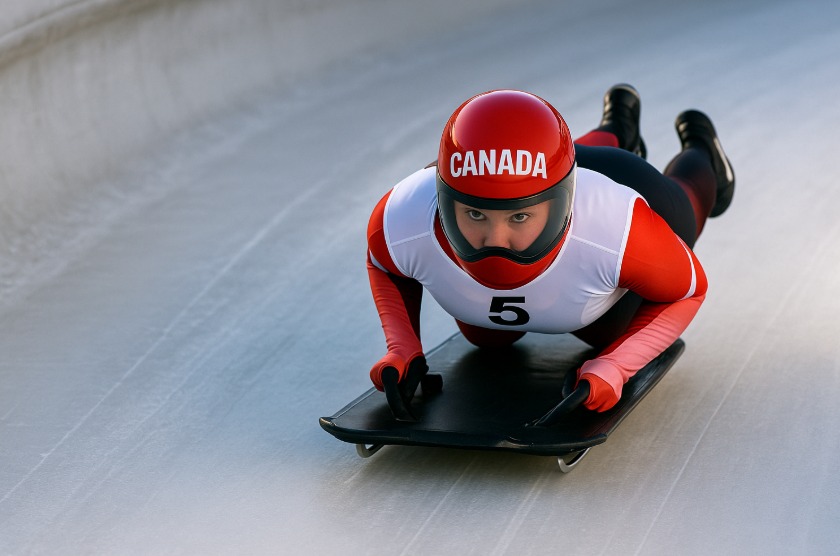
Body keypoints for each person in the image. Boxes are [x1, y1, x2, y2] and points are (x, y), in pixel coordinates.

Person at [365, 85, 734, 414]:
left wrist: (617, 363)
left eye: (519, 217)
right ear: (442, 197)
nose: (496, 240)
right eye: (475, 213)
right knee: (486, 336)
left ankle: (701, 152)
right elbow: (382, 262)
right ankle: (617, 127)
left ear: (563, 203)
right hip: (572, 240)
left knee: (686, 203)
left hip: (625, 190)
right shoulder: (405, 212)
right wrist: (402, 346)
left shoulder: (619, 227)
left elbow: (689, 289)